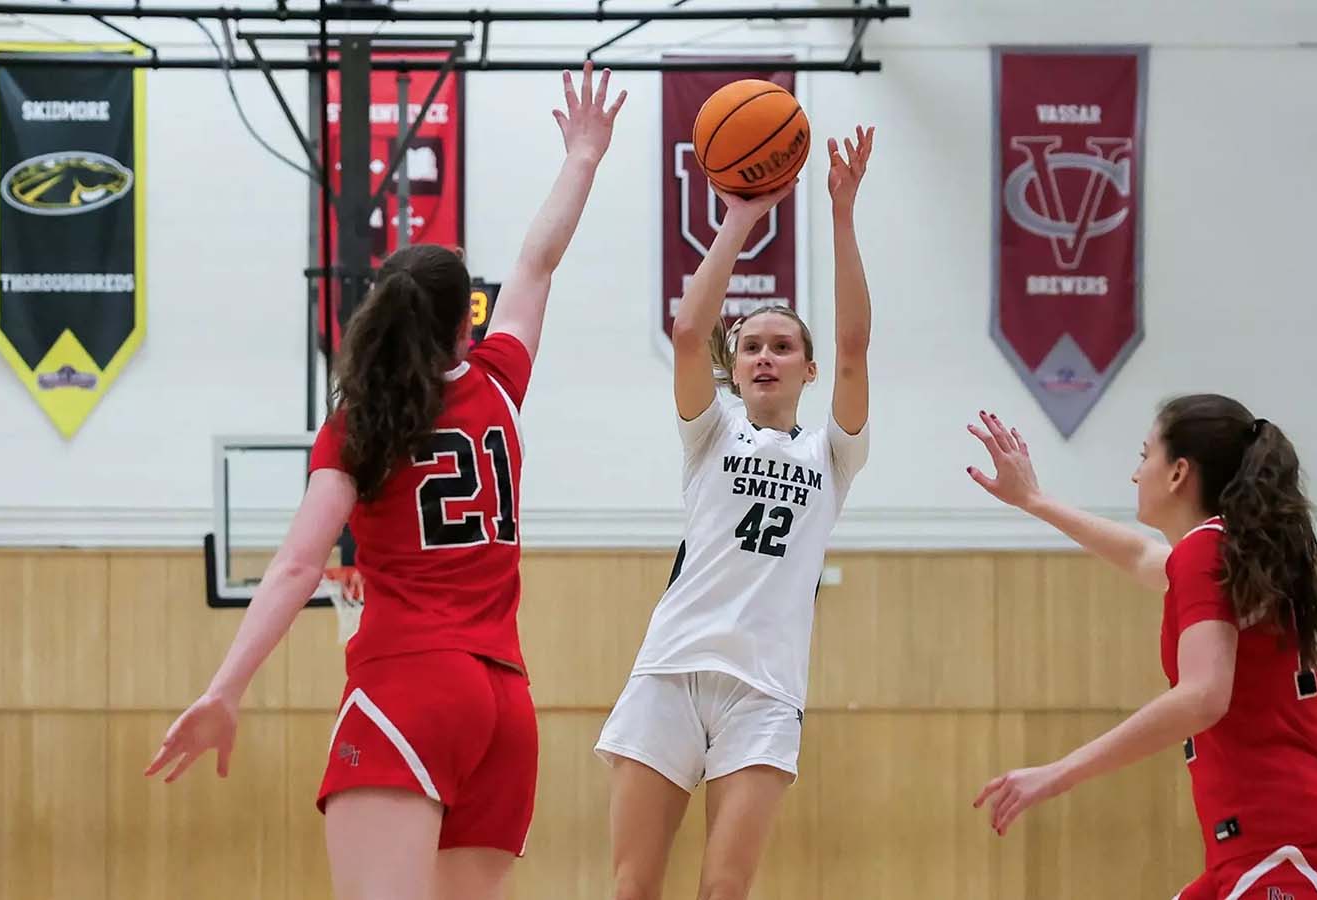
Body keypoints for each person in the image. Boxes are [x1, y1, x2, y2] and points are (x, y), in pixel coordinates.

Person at [143, 62, 626, 900]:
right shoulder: (499, 383)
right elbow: (538, 264)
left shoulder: (359, 425)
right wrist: (583, 155)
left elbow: (298, 567)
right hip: (504, 703)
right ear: (465, 320)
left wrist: (225, 690)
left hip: (411, 686)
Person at [595, 127, 875, 900]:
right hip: (672, 670)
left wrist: (841, 215)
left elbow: (855, 345)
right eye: (751, 346)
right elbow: (690, 332)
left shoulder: (831, 454)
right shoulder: (710, 434)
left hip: (764, 690)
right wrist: (741, 218)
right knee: (632, 887)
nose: (764, 357)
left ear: (808, 369)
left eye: (782, 347)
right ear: (736, 367)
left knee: (725, 890)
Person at [967, 397, 1317, 899]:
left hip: (1291, 853)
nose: (1136, 474)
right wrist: (1034, 500)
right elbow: (1141, 556)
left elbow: (1202, 697)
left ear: (1179, 472)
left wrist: (1058, 773)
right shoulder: (1223, 551)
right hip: (1257, 852)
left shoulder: (1210, 548)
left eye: (1145, 456)